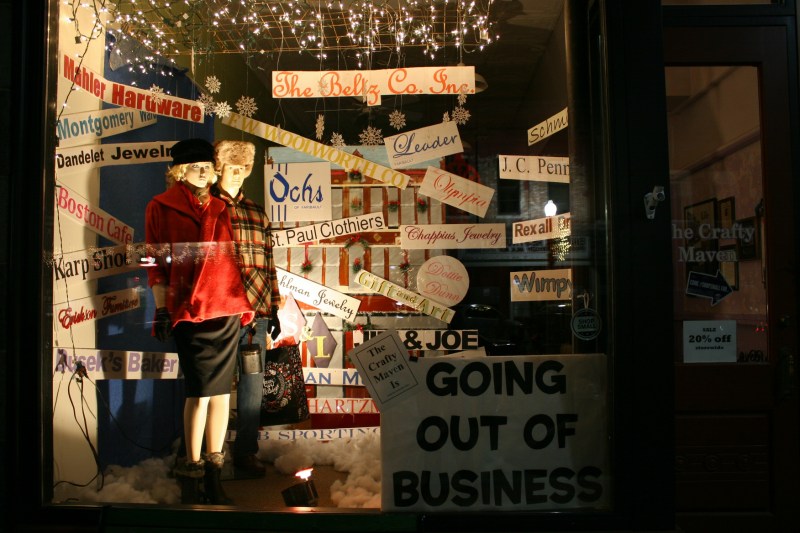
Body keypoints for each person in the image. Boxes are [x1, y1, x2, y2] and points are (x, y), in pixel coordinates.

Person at [145, 138, 255, 504]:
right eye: (196, 166)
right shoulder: (160, 206)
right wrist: (161, 307)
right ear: (180, 171)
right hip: (189, 310)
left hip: (225, 307)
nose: (205, 172)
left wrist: (248, 304)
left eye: (208, 166)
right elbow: (154, 261)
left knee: (221, 393)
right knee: (199, 393)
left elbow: (233, 257)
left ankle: (213, 473)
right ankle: (191, 473)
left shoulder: (221, 207)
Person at [211, 140, 282, 478]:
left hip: (257, 313)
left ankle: (245, 452)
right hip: (222, 311)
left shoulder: (256, 212)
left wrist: (274, 307)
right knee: (215, 385)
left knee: (253, 385)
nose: (237, 174)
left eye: (242, 168)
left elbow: (269, 262)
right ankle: (208, 451)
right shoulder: (210, 209)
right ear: (220, 168)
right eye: (232, 167)